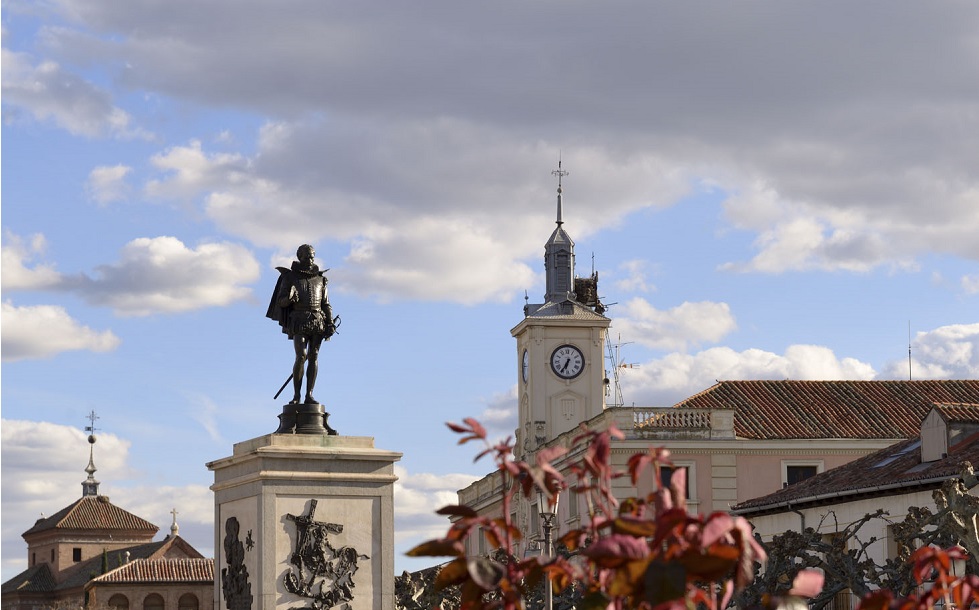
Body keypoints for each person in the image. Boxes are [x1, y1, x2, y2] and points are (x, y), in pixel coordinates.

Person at [267, 244, 336, 404]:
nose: (310, 259)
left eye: (312, 256)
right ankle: (297, 396)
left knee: (314, 355)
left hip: (317, 319)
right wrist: (289, 300)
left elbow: (325, 304)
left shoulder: (321, 279)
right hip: (298, 319)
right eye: (307, 256)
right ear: (300, 257)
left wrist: (330, 322)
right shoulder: (290, 277)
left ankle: (309, 395)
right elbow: (281, 301)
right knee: (301, 355)